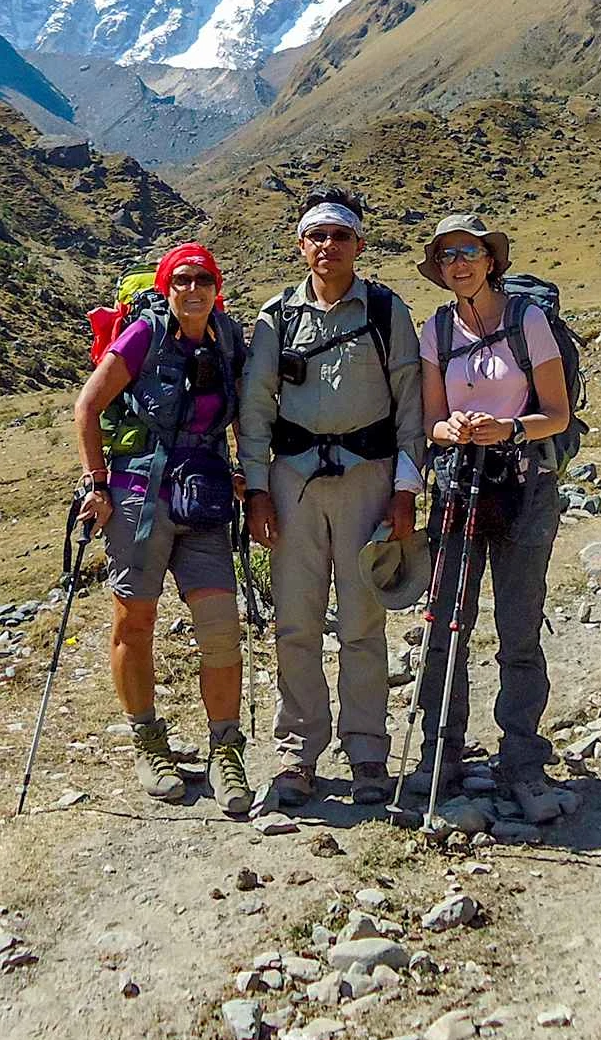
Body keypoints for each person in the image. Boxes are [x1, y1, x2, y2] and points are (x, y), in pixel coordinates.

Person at [238, 187, 424, 808]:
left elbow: (410, 403)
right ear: (300, 246)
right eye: (317, 236)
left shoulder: (385, 311)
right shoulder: (277, 318)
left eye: (340, 236)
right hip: (292, 483)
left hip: (369, 480)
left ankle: (368, 747)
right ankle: (297, 752)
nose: (328, 246)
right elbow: (257, 408)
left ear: (358, 245)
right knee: (296, 619)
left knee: (363, 619)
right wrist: (257, 491)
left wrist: (406, 488)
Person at [73, 241, 254, 815]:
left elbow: (248, 413)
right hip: (137, 497)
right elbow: (88, 405)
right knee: (136, 621)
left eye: (203, 279)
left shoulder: (228, 339)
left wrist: (250, 474)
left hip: (202, 494)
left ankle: (226, 748)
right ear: (166, 287)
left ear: (216, 286)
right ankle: (148, 742)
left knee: (221, 627)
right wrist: (96, 484)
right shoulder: (144, 335)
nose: (193, 290)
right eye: (181, 280)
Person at [405, 213, 575, 822]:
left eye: (469, 252)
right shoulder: (437, 331)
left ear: (490, 259)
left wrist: (507, 428)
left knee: (519, 624)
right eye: (447, 255)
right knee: (445, 622)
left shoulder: (528, 322)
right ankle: (440, 755)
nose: (459, 263)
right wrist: (448, 429)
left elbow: (557, 412)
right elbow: (430, 422)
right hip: (458, 486)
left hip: (523, 485)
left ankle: (523, 759)